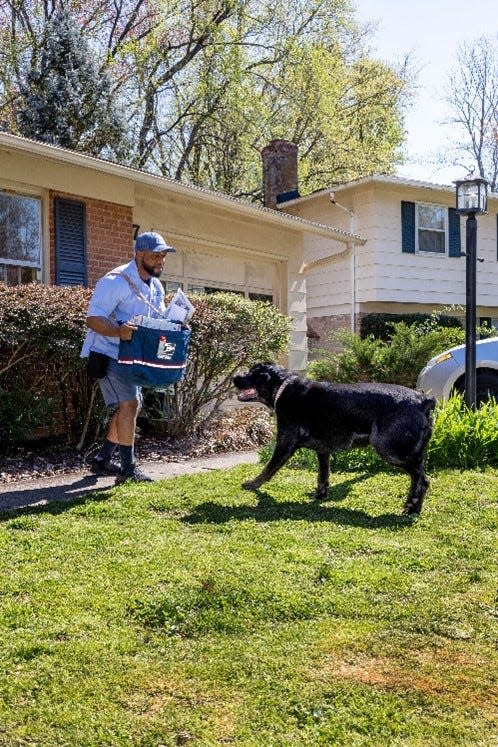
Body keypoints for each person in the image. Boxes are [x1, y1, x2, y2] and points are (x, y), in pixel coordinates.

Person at [81, 231, 175, 483]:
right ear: (139, 254)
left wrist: (177, 324)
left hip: (132, 355)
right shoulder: (115, 281)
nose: (160, 261)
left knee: (131, 406)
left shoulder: (155, 286)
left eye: (163, 256)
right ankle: (128, 469)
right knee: (131, 404)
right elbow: (93, 319)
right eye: (156, 256)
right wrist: (118, 332)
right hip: (108, 351)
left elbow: (159, 319)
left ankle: (102, 460)